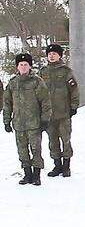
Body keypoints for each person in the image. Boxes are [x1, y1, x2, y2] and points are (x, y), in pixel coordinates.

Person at [3, 53, 51, 186]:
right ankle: (27, 174)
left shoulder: (37, 82)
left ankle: (36, 175)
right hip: (18, 124)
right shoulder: (13, 83)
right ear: (17, 67)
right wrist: (6, 120)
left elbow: (45, 102)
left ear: (30, 66)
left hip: (34, 124)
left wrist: (45, 120)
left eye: (26, 65)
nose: (23, 67)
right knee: (22, 150)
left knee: (36, 150)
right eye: (21, 65)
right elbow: (7, 103)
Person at [39, 43, 79, 178]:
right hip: (49, 114)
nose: (51, 56)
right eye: (49, 54)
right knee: (52, 141)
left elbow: (74, 90)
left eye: (54, 54)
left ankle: (66, 166)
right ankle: (57, 165)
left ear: (59, 56)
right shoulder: (42, 72)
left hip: (64, 112)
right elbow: (38, 92)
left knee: (66, 140)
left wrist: (74, 106)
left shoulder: (66, 71)